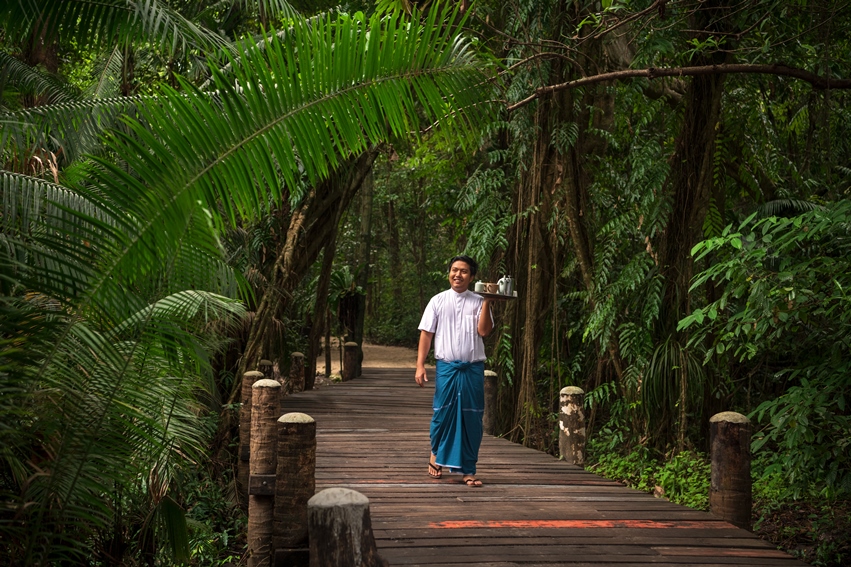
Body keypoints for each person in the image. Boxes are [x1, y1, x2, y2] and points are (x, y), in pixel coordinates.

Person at [415, 255, 493, 487]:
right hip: (447, 368)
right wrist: (420, 364)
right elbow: (426, 334)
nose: (458, 275)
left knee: (472, 417)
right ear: (448, 272)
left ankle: (468, 470)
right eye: (454, 270)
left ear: (472, 276)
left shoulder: (479, 300)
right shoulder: (437, 301)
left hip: (472, 368)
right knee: (442, 414)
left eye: (464, 271)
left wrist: (488, 300)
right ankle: (436, 456)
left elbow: (484, 331)